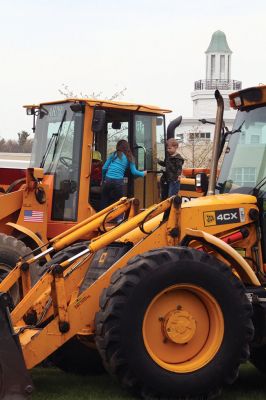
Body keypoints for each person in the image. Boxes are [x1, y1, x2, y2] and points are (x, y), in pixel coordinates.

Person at [101, 139, 146, 209]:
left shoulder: (114, 154)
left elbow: (104, 168)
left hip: (108, 179)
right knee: (120, 201)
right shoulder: (130, 157)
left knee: (105, 198)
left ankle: (102, 215)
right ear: (128, 147)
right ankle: (119, 218)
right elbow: (134, 172)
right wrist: (143, 173)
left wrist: (103, 179)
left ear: (118, 147)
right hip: (118, 181)